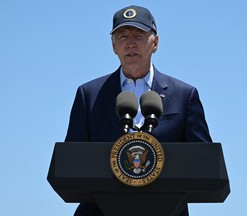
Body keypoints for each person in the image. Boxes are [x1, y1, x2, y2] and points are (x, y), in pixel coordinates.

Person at [65, 5, 212, 216]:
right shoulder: (89, 95)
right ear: (114, 46)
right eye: (122, 36)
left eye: (139, 35)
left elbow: (203, 161)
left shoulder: (184, 95)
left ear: (156, 42)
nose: (130, 43)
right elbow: (72, 161)